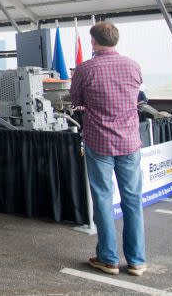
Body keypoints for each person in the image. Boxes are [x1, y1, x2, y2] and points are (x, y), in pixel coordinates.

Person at [70, 21, 147, 277]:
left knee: (103, 198)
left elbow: (76, 100)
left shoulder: (84, 69)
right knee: (132, 200)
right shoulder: (133, 65)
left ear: (93, 41)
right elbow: (138, 95)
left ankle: (108, 258)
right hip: (129, 142)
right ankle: (136, 261)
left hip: (99, 141)